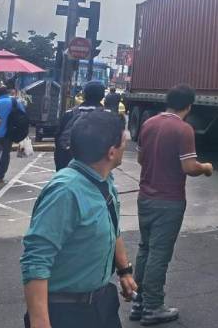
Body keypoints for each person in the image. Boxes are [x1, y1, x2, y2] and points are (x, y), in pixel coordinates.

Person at [21, 109, 137, 328]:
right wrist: (40, 323)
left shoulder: (104, 180)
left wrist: (124, 271)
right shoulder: (65, 192)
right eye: (124, 140)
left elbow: (113, 228)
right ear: (111, 152)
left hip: (101, 303)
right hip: (67, 312)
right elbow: (36, 260)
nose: (127, 144)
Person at [130, 84, 213, 326]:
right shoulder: (183, 129)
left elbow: (140, 158)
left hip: (145, 197)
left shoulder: (149, 123)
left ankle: (138, 302)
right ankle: (153, 307)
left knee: (145, 249)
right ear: (189, 105)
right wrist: (206, 168)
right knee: (159, 253)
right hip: (169, 200)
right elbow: (189, 167)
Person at [54, 81, 106, 171]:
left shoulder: (69, 114)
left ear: (84, 95)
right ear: (102, 96)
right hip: (94, 170)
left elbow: (58, 141)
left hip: (68, 166)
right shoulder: (107, 117)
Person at [0, 84, 25, 187]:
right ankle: (0, 176)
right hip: (9, 133)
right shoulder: (15, 102)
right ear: (6, 93)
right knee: (5, 155)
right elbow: (23, 114)